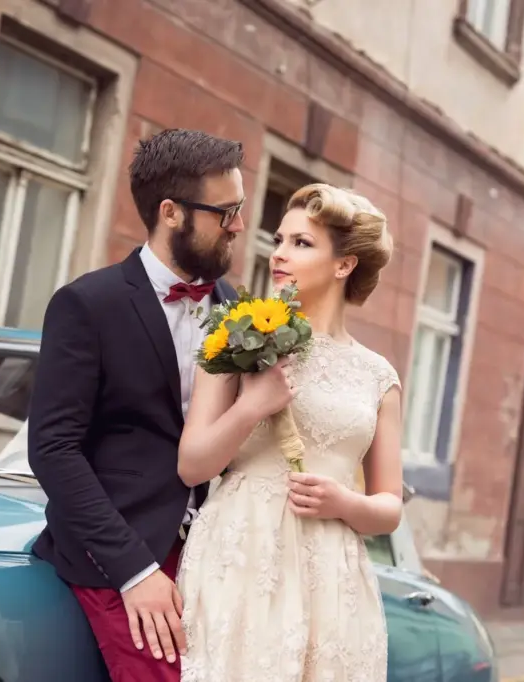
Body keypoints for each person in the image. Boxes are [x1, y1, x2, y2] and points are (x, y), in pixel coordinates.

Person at [28, 128, 244, 682]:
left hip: (214, 557)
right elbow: (53, 450)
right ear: (171, 212)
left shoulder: (239, 310)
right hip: (117, 559)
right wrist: (134, 570)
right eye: (226, 212)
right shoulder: (87, 304)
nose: (239, 226)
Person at [175, 183, 404, 681]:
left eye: (301, 243)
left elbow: (390, 506)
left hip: (332, 569)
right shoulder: (233, 335)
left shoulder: (378, 376)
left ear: (344, 265)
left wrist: (346, 504)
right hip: (242, 555)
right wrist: (250, 408)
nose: (279, 254)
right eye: (279, 240)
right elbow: (192, 464)